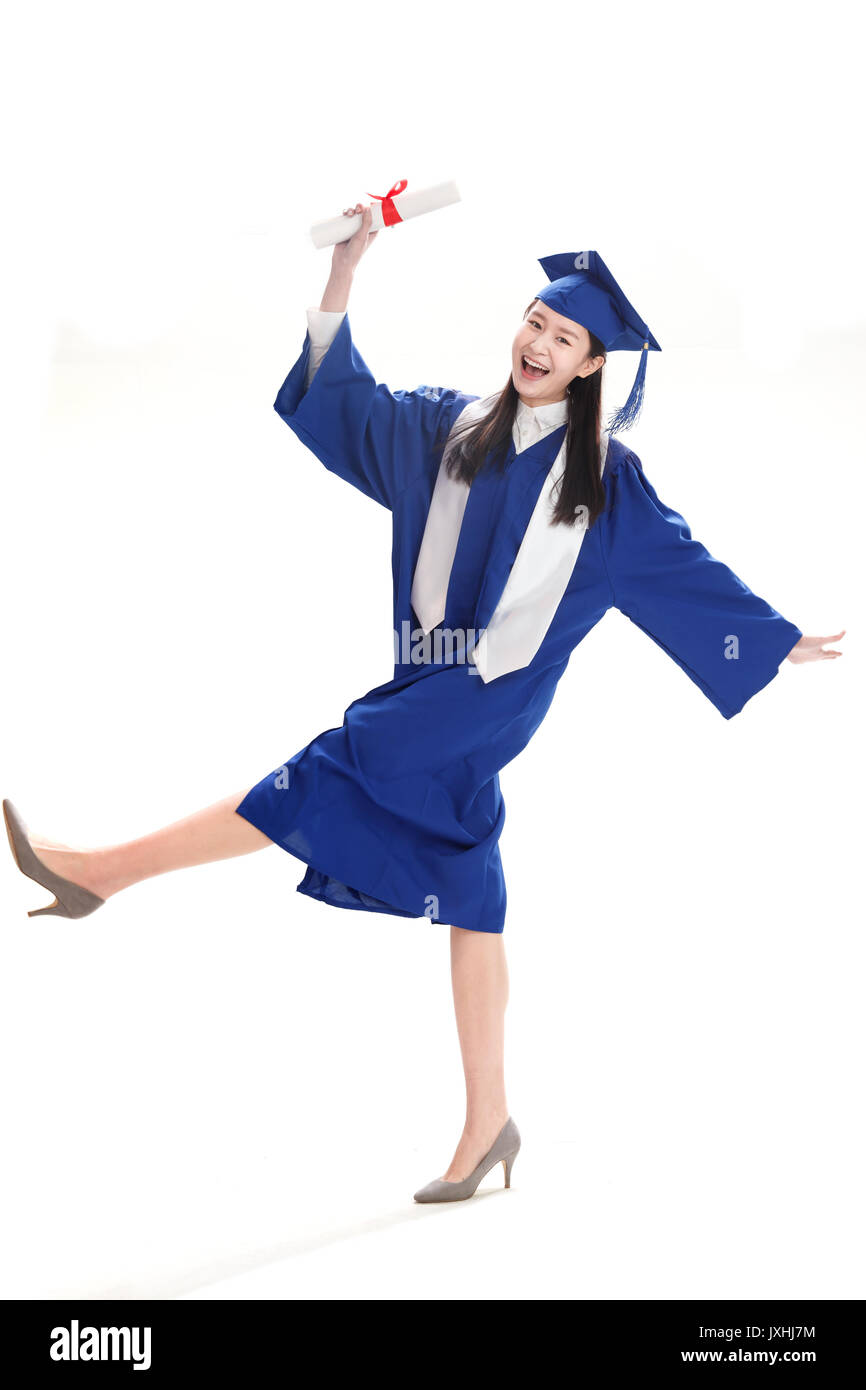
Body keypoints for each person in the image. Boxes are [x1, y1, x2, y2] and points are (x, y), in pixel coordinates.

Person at [3, 204, 845, 1204]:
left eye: (561, 336)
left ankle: (100, 872)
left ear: (588, 366)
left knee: (335, 764)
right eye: (533, 320)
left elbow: (680, 566)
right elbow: (342, 404)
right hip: (425, 675)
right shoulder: (445, 428)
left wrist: (765, 635)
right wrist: (344, 274)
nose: (536, 341)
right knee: (470, 883)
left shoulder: (606, 484)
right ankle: (489, 1119)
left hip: (488, 698)